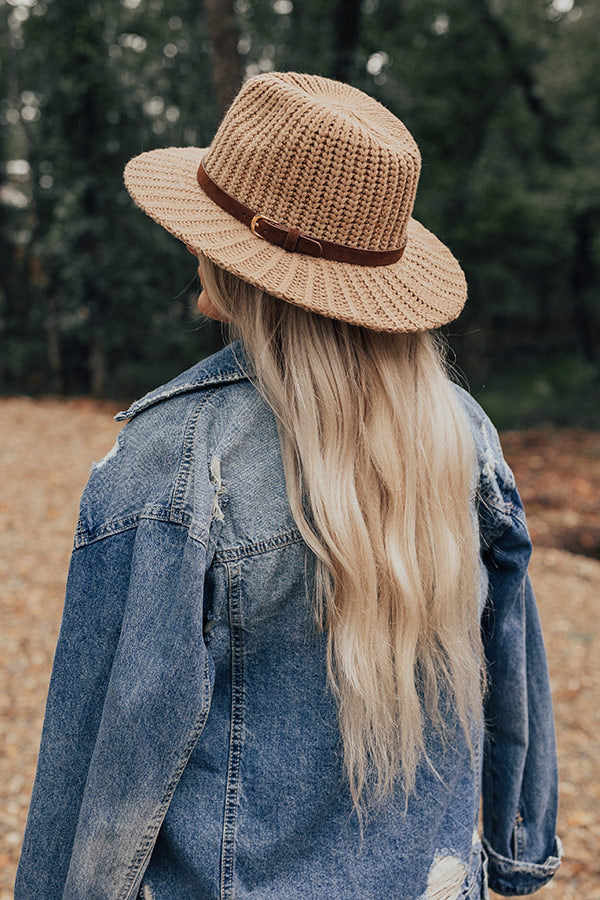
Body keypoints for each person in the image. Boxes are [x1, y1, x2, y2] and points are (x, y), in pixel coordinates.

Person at [15, 72, 563, 900]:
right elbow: (513, 668)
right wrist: (521, 846)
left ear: (235, 256)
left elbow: (111, 754)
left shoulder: (174, 457)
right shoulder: (462, 432)